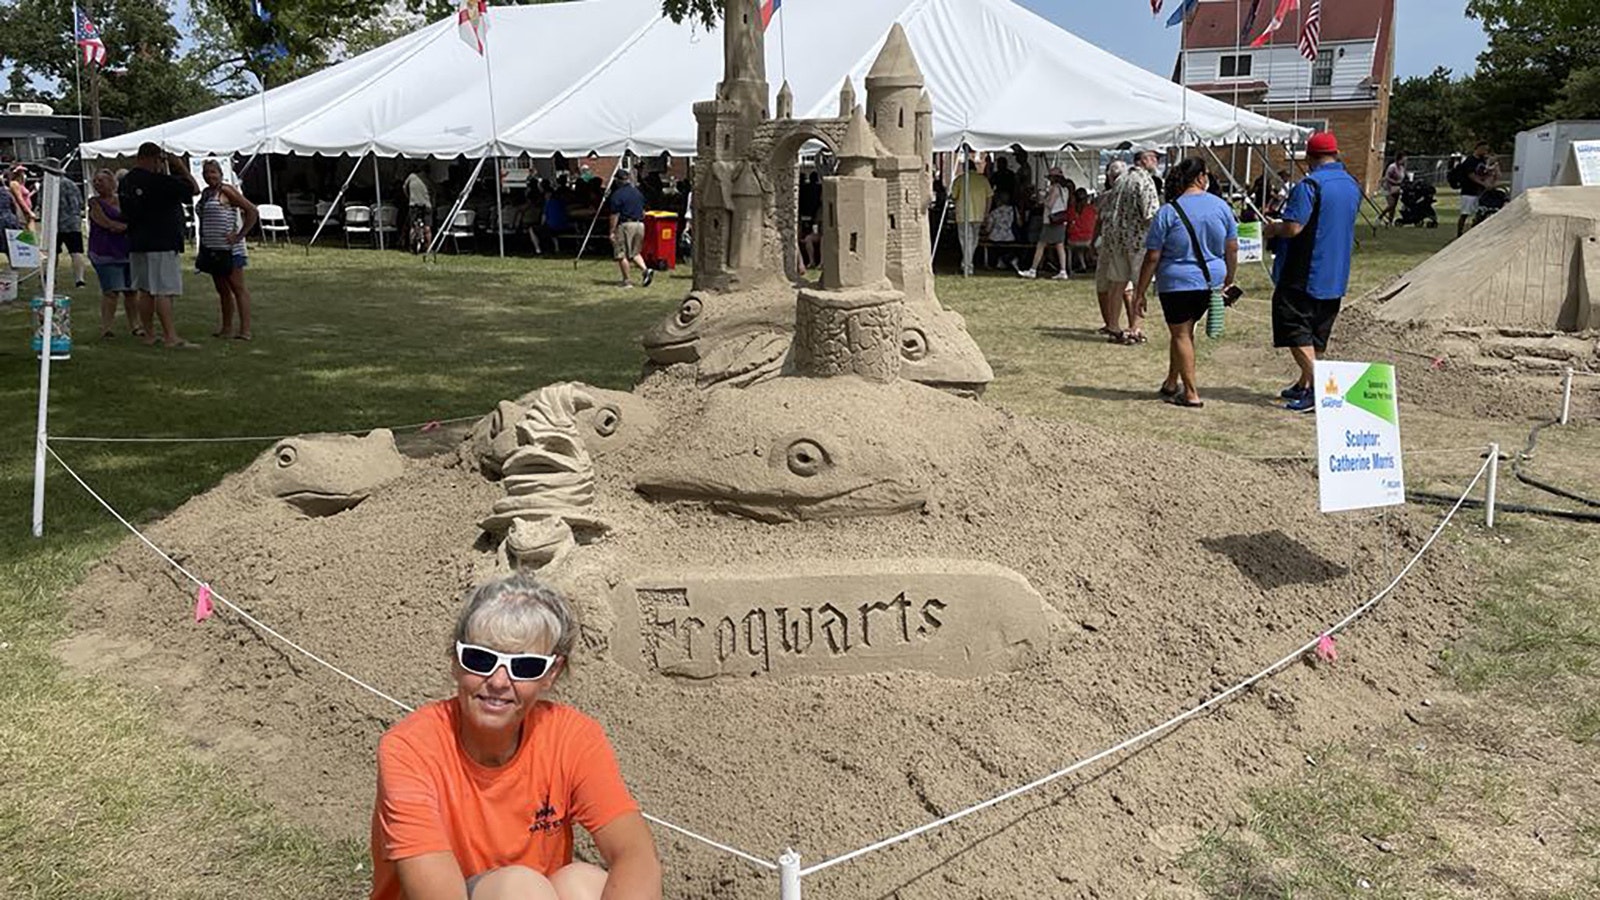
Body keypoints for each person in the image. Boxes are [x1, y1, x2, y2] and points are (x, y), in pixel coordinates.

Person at [370, 574, 661, 900]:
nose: (498, 681)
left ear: (551, 674)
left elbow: (634, 853)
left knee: (584, 885)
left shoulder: (573, 737)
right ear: (455, 661)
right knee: (521, 890)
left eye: (524, 666)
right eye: (480, 659)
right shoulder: (410, 748)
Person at [1263, 131, 1362, 412]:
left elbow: (1294, 227)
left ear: (1310, 157)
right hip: (1337, 269)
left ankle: (1319, 390)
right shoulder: (1352, 185)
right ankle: (1305, 382)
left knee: (1294, 327)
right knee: (1318, 331)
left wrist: (1273, 228)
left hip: (1305, 270)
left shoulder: (1311, 185)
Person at [1133, 158, 1238, 409]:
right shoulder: (1222, 207)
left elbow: (1152, 256)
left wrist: (1140, 290)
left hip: (1177, 282)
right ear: (1202, 177)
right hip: (1211, 281)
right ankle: (1171, 381)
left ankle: (1191, 393)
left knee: (1180, 334)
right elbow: (1232, 247)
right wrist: (1229, 278)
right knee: (1184, 333)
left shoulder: (1168, 212)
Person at [119, 142, 200, 349]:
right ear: (155, 159)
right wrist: (179, 166)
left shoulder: (126, 181)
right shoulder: (161, 181)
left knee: (145, 290)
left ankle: (149, 334)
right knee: (164, 290)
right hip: (162, 241)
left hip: (137, 241)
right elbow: (193, 189)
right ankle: (170, 336)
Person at [1095, 150, 1161, 344]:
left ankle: (1114, 326)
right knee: (1139, 286)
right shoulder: (1145, 181)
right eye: (1153, 157)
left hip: (1117, 240)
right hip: (1138, 242)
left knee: (1117, 283)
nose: (1155, 161)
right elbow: (1150, 215)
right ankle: (1135, 327)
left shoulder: (1121, 181)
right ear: (1143, 160)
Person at [195, 159, 259, 340]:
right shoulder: (206, 193)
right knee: (222, 289)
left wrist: (239, 235)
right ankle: (226, 327)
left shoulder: (227, 190)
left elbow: (252, 211)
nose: (209, 176)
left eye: (213, 172)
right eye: (206, 173)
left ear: (220, 173)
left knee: (238, 288)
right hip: (213, 249)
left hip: (231, 250)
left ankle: (245, 330)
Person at [87, 168, 139, 339]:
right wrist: (121, 227)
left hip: (127, 251)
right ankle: (106, 328)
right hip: (104, 252)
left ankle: (135, 326)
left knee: (131, 292)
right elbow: (104, 222)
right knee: (111, 291)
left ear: (112, 183)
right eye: (95, 181)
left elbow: (135, 218)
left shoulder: (124, 201)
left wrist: (128, 227)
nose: (97, 184)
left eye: (101, 180)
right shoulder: (94, 202)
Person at [1017, 167, 1071, 280]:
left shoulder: (1054, 188)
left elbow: (1050, 204)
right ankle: (1063, 270)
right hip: (1061, 221)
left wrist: (1042, 198)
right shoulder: (1065, 189)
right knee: (1059, 246)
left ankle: (1033, 269)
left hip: (1051, 221)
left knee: (1041, 244)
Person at [45, 160, 89, 287]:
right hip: (73, 224)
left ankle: (51, 278)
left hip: (55, 224)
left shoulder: (47, 185)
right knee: (76, 252)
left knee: (53, 252)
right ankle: (79, 279)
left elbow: (43, 204)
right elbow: (79, 203)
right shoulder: (71, 184)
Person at [607, 169, 651, 288]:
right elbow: (643, 212)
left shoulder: (617, 195)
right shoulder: (637, 192)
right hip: (640, 224)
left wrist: (611, 231)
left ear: (618, 180)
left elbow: (614, 215)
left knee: (621, 254)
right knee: (635, 252)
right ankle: (645, 270)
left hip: (626, 225)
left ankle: (627, 281)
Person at [949, 159, 992, 277]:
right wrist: (986, 212)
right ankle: (967, 264)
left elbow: (953, 196)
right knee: (973, 241)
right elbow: (989, 197)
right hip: (979, 213)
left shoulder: (959, 180)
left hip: (963, 214)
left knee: (965, 241)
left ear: (964, 168)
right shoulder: (983, 180)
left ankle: (967, 265)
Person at [1451, 141, 1493, 237]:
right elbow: (1471, 175)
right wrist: (1483, 183)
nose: (1485, 151)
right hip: (1468, 191)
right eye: (1484, 149)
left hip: (1480, 191)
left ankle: (1474, 233)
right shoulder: (1470, 161)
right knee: (1465, 213)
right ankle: (1459, 234)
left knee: (1480, 213)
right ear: (1478, 148)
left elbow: (1483, 172)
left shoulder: (1482, 160)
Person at [1066, 186, 1096, 274]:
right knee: (1081, 249)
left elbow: (1068, 221)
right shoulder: (1091, 209)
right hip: (1088, 240)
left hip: (1073, 239)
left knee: (1069, 247)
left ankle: (1069, 268)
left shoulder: (1071, 209)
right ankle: (1084, 265)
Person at [797, 171, 823, 273]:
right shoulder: (819, 212)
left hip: (825, 235)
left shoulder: (824, 210)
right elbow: (816, 225)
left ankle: (821, 263)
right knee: (808, 239)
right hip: (818, 233)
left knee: (825, 240)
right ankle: (811, 262)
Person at [405, 167, 433, 253]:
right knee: (427, 227)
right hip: (426, 204)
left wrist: (409, 196)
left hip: (413, 204)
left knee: (413, 226)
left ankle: (411, 246)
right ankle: (428, 247)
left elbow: (404, 187)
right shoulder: (428, 179)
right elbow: (433, 191)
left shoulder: (411, 177)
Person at [1379, 151, 1407, 225]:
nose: (1404, 161)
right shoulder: (1392, 167)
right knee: (1391, 204)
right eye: (1403, 159)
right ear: (1399, 159)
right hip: (1388, 187)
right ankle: (1380, 217)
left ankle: (1390, 222)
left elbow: (1403, 177)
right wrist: (1395, 182)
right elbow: (1387, 177)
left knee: (1394, 206)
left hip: (1396, 188)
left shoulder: (1402, 168)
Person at [7, 166, 36, 230]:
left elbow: (26, 197)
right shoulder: (14, 184)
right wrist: (29, 211)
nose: (23, 174)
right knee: (25, 231)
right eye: (21, 172)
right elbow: (20, 199)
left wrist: (34, 191)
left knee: (30, 231)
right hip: (21, 210)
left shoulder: (22, 184)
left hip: (27, 209)